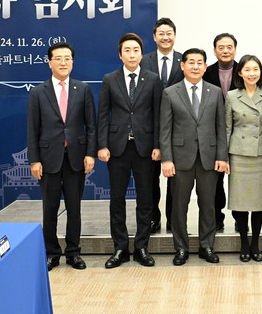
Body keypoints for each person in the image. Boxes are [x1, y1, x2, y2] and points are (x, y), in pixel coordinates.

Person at [27, 42, 96, 271]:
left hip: (76, 157)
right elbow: (32, 129)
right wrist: (34, 160)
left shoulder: (83, 89)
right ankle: (51, 253)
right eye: (58, 58)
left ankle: (73, 252)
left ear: (72, 62)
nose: (63, 62)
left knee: (74, 208)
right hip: (48, 159)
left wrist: (90, 154)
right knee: (50, 209)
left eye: (67, 58)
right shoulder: (38, 92)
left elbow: (91, 126)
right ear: (50, 63)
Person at [97, 33, 163, 268]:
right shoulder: (110, 79)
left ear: (141, 54)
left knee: (145, 199)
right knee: (117, 199)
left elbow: (158, 115)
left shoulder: (152, 79)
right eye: (127, 50)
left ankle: (142, 247)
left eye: (136, 50)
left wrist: (158, 145)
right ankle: (120, 248)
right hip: (118, 148)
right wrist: (102, 145)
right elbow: (102, 115)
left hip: (145, 148)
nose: (132, 54)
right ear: (120, 55)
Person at [159, 48, 229, 265]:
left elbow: (221, 127)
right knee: (179, 205)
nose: (195, 66)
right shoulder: (170, 92)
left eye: (200, 63)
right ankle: (181, 248)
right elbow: (165, 129)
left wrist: (222, 156)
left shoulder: (215, 92)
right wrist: (167, 159)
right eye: (191, 62)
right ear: (183, 66)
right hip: (180, 159)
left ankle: (206, 246)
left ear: (205, 67)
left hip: (209, 157)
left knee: (208, 205)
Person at [224, 54, 262, 262]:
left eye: (255, 69)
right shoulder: (231, 96)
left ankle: (255, 243)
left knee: (258, 202)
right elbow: (227, 128)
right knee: (240, 202)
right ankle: (244, 241)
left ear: (260, 72)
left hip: (260, 153)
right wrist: (224, 158)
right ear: (240, 73)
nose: (252, 73)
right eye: (247, 69)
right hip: (238, 154)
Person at [141, 17, 183, 234]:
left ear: (174, 36)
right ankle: (152, 219)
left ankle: (173, 220)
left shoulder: (184, 61)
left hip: (177, 129)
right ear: (154, 37)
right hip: (149, 129)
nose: (165, 37)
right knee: (150, 179)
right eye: (161, 33)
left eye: (169, 33)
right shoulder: (144, 61)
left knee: (175, 179)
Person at [202, 32, 239, 231]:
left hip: (238, 132)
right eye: (221, 47)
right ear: (214, 51)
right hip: (213, 133)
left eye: (229, 47)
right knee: (215, 180)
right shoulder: (206, 72)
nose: (225, 51)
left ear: (235, 49)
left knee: (239, 178)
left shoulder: (244, 70)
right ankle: (217, 219)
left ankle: (240, 218)